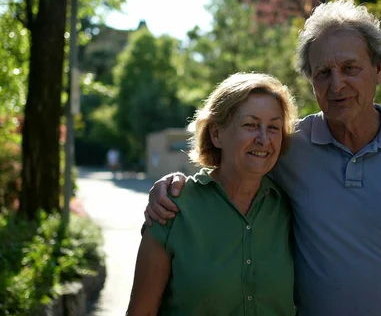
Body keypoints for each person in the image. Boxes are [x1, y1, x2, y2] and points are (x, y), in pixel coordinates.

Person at [145, 0, 381, 316]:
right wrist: (174, 185)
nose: (337, 85)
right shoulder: (289, 145)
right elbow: (231, 172)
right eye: (323, 73)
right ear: (310, 81)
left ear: (378, 69)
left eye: (350, 68)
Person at [126, 72, 299, 315]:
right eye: (250, 125)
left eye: (273, 127)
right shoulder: (173, 208)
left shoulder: (290, 207)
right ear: (216, 134)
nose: (263, 139)